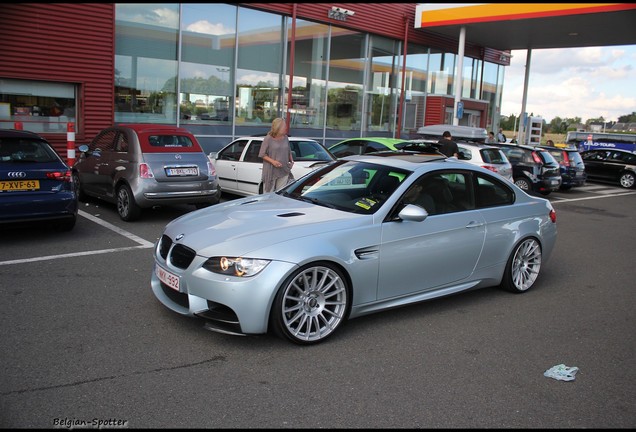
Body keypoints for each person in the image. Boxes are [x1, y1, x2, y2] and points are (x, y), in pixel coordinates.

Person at [258, 117, 294, 193]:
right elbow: (262, 154)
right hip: (271, 170)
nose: (286, 128)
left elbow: (288, 150)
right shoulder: (268, 139)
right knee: (268, 194)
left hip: (284, 169)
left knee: (280, 193)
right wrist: (273, 162)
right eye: (284, 126)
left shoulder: (285, 138)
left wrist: (291, 160)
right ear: (278, 127)